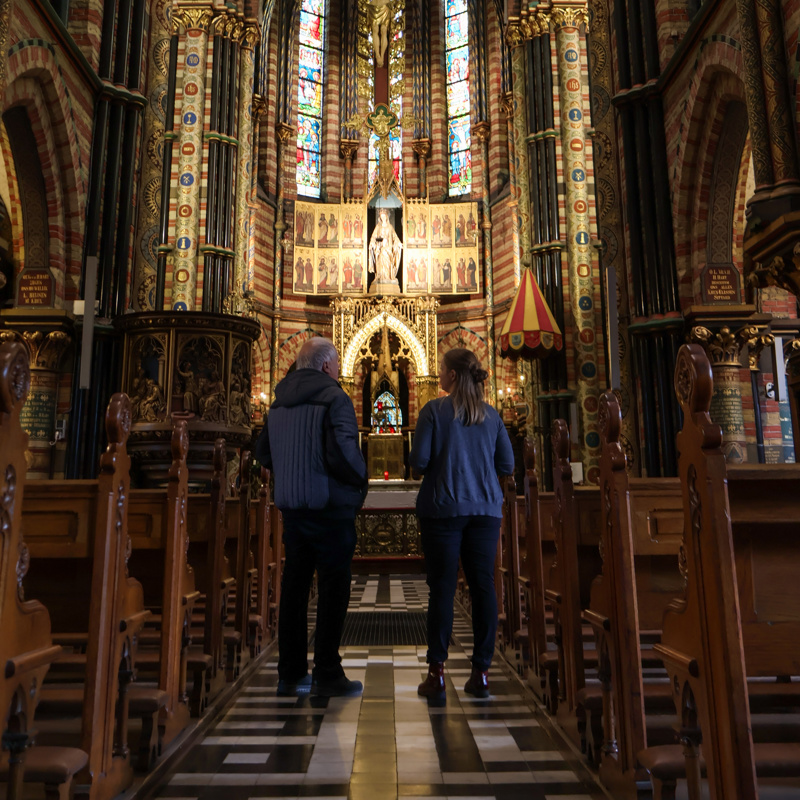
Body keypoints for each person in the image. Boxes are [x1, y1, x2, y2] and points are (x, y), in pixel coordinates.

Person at [256, 337, 368, 697]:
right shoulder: (335, 398)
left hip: (292, 508)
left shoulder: (278, 401)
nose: (338, 371)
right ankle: (327, 673)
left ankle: (290, 673)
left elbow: (263, 452)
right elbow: (344, 455)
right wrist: (361, 483)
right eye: (337, 365)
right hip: (330, 508)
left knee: (295, 587)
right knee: (333, 589)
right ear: (326, 366)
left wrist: (291, 472)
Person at [410, 348, 514, 704]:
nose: (438, 373)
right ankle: (481, 672)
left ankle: (436, 674)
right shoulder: (492, 415)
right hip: (485, 510)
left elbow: (419, 461)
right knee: (483, 587)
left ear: (452, 375)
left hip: (443, 509)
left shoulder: (433, 411)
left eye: (441, 368)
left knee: (441, 589)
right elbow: (507, 464)